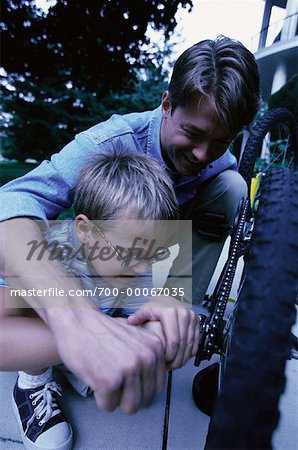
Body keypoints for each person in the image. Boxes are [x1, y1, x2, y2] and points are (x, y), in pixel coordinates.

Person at [0, 35, 260, 415]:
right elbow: (13, 203)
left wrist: (169, 301)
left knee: (232, 186)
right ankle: (62, 355)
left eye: (221, 141)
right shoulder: (108, 142)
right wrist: (75, 322)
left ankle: (168, 312)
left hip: (148, 257)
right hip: (92, 261)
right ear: (167, 104)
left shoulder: (217, 165)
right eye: (193, 134)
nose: (204, 155)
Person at [0, 150, 200, 450]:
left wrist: (167, 326)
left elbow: (162, 303)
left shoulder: (140, 254)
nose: (144, 268)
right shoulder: (49, 254)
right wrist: (110, 336)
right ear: (85, 231)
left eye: (153, 253)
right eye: (132, 254)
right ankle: (33, 382)